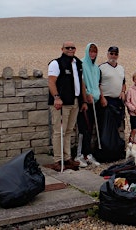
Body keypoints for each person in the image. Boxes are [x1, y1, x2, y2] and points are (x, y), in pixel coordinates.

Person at [47, 41, 87, 171]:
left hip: (75, 101)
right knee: (59, 131)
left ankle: (67, 157)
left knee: (69, 130)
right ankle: (57, 160)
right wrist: (56, 97)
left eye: (72, 47)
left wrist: (84, 101)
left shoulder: (78, 63)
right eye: (67, 47)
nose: (70, 49)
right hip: (61, 103)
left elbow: (80, 82)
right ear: (62, 49)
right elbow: (51, 82)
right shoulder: (56, 63)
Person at [75, 43, 101, 167]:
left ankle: (87, 154)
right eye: (90, 51)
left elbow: (96, 83)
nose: (92, 54)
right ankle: (79, 155)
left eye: (94, 51)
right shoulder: (81, 64)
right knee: (83, 127)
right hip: (84, 101)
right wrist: (86, 94)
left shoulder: (96, 68)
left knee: (90, 129)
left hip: (94, 102)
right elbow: (81, 82)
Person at [99, 46, 126, 139]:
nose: (113, 56)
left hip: (118, 101)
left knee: (118, 123)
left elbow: (123, 83)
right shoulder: (101, 68)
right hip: (106, 100)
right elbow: (97, 84)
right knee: (105, 125)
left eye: (116, 54)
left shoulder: (121, 68)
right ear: (107, 54)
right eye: (111, 53)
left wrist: (123, 91)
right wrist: (102, 97)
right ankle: (105, 147)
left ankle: (117, 146)